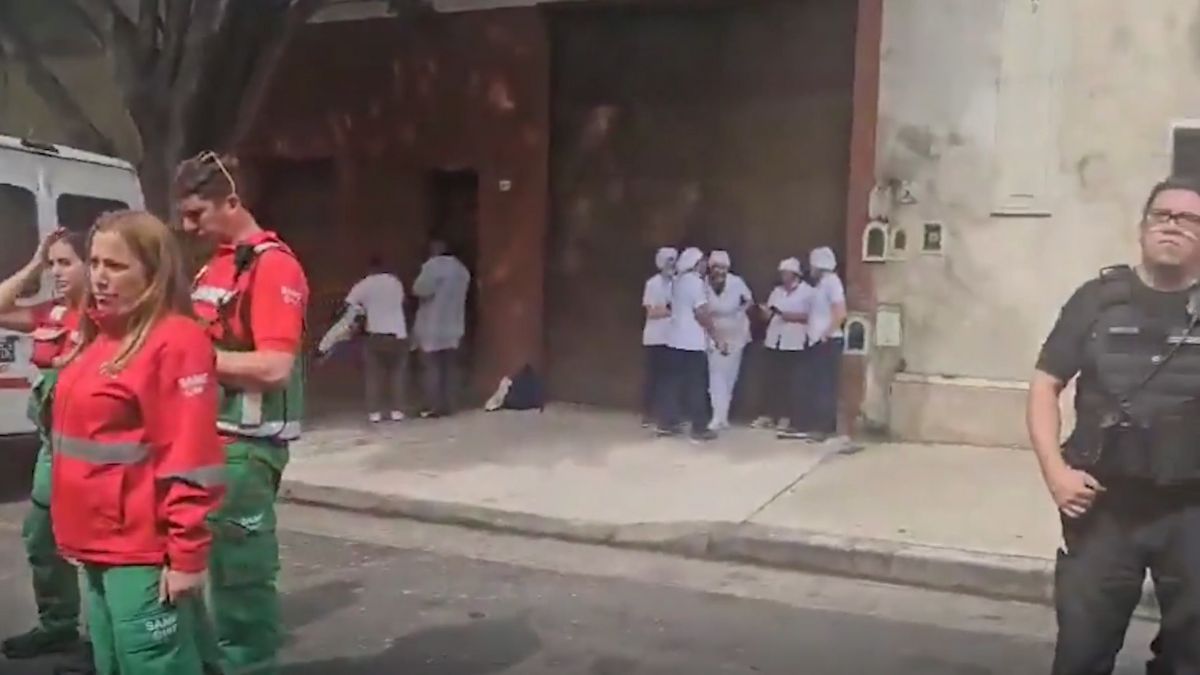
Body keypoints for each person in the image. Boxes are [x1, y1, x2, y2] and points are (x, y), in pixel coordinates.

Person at [1027, 176, 1200, 674]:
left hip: (1191, 509)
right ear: (1143, 227)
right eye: (1162, 215)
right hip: (1105, 506)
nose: (1172, 226)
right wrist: (1056, 474)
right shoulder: (1097, 300)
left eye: (1188, 219)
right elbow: (1044, 386)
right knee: (1081, 656)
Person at [51, 210, 224, 674]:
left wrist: (186, 556)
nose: (100, 277)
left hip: (138, 550)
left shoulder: (175, 342)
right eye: (95, 262)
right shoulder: (100, 337)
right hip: (94, 546)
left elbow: (192, 457)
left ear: (153, 271)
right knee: (111, 664)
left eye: (116, 266)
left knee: (153, 665)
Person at [177, 152, 309, 675]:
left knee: (239, 580)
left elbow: (275, 367)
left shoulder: (274, 266)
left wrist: (194, 360)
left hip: (246, 449)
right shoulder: (219, 261)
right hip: (210, 440)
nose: (189, 226)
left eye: (197, 213)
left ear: (232, 201)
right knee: (200, 572)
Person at [0, 230, 87, 662]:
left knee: (99, 552)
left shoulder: (105, 318)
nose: (57, 272)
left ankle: (113, 640)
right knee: (40, 540)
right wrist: (33, 263)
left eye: (65, 262)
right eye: (53, 263)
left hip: (94, 454)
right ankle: (58, 626)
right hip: (53, 450)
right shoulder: (52, 313)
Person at [658, 247, 719, 441]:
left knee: (673, 384)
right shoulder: (695, 282)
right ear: (696, 263)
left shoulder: (677, 281)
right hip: (692, 343)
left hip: (674, 340)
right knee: (697, 386)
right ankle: (699, 427)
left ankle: (668, 422)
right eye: (702, 263)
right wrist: (717, 336)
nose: (704, 267)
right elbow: (701, 313)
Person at [345, 255, 409, 423]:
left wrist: (358, 316)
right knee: (397, 375)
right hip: (398, 335)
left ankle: (375, 413)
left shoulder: (365, 284)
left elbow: (350, 304)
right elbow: (401, 302)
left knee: (373, 376)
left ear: (370, 269)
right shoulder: (395, 282)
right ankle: (397, 411)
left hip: (376, 335)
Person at [412, 239, 471, 418]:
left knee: (431, 368)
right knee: (450, 368)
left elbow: (420, 289)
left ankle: (432, 406)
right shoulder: (462, 270)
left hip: (432, 325)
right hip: (454, 325)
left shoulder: (432, 267)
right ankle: (449, 405)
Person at [793, 246, 846, 441]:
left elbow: (840, 311)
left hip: (828, 341)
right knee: (817, 384)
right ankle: (819, 425)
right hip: (818, 341)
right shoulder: (821, 285)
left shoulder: (832, 282)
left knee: (825, 386)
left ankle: (823, 428)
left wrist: (825, 334)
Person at [756, 258, 812, 437]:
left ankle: (787, 417)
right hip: (774, 341)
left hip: (794, 342)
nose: (783, 276)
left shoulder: (807, 292)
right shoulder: (777, 292)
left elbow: (810, 316)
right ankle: (770, 415)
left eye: (785, 273)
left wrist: (786, 315)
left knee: (791, 383)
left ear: (794, 274)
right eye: (781, 273)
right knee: (772, 380)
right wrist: (765, 313)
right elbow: (769, 316)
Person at [704, 250, 753, 430]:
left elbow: (749, 300)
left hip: (737, 332)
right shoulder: (704, 283)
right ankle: (717, 416)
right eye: (716, 267)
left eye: (723, 267)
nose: (720, 271)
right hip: (714, 332)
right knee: (715, 374)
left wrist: (739, 312)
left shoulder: (737, 282)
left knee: (730, 375)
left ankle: (723, 416)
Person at [641, 247, 677, 427]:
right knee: (653, 378)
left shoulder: (678, 283)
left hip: (673, 338)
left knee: (669, 378)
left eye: (674, 260)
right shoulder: (652, 284)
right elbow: (651, 312)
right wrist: (670, 309)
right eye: (669, 260)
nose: (672, 264)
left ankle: (667, 415)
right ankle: (648, 414)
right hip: (655, 337)